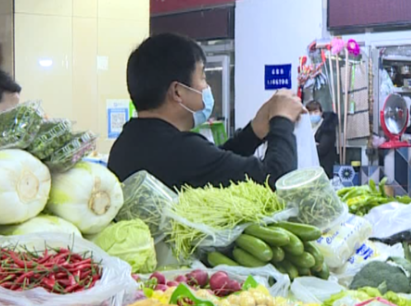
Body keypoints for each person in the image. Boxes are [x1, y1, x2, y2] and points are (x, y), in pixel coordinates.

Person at [109, 33, 303, 190]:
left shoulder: (127, 144)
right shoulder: (180, 149)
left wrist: (253, 132)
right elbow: (276, 179)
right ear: (177, 92)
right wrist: (282, 120)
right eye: (202, 77)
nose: (206, 87)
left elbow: (212, 163)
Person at [306, 100, 338, 178]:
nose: (313, 115)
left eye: (316, 111)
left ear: (321, 112)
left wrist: (309, 147)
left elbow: (322, 149)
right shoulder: (306, 127)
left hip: (324, 167)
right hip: (309, 168)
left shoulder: (327, 127)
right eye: (310, 113)